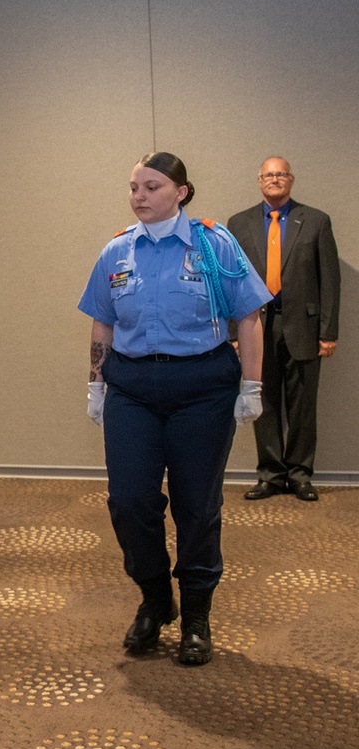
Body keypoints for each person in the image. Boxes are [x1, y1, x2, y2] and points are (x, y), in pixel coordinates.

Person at [78, 152, 270, 666]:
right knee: (129, 501)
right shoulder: (117, 251)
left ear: (181, 192)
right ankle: (155, 598)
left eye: (152, 186)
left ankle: (197, 616)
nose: (139, 195)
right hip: (133, 389)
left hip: (201, 386)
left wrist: (251, 385)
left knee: (196, 506)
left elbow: (249, 316)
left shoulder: (214, 244)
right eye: (134, 186)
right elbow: (101, 323)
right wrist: (96, 385)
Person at [227, 157, 341, 502]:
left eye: (281, 174)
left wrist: (328, 331)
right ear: (259, 180)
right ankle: (271, 475)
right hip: (256, 326)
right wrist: (234, 333)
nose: (274, 179)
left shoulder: (317, 221)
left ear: (291, 179)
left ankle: (300, 474)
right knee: (263, 401)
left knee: (303, 406)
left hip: (304, 326)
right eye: (268, 175)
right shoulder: (239, 223)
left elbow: (330, 281)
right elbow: (231, 282)